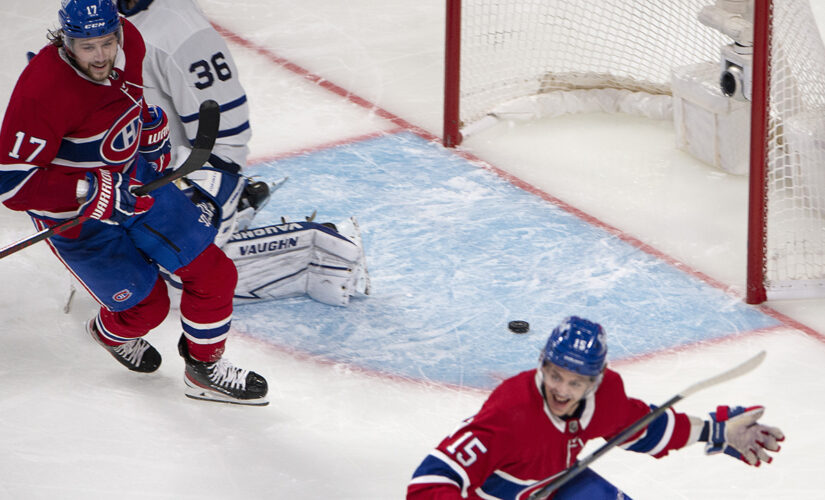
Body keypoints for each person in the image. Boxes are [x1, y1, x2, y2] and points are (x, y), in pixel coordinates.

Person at [0, 0, 267, 406]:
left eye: (108, 42)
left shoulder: (133, 42)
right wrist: (88, 191)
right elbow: (11, 185)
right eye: (88, 47)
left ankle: (204, 370)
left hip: (134, 182)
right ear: (65, 40)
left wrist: (147, 131)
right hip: (76, 218)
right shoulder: (41, 91)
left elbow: (125, 104)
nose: (102, 56)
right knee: (149, 309)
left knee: (214, 275)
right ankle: (108, 332)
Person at [115, 0, 370, 307]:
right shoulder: (100, 21)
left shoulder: (176, 27)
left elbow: (225, 128)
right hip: (138, 172)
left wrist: (209, 191)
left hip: (181, 171)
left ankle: (319, 252)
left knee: (179, 271)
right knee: (119, 263)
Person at [407, 316, 785, 499]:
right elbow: (429, 482)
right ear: (542, 365)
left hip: (553, 485)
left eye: (575, 383)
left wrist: (717, 432)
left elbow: (644, 428)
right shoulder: (511, 411)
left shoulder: (605, 397)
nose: (561, 390)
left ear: (596, 381)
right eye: (555, 376)